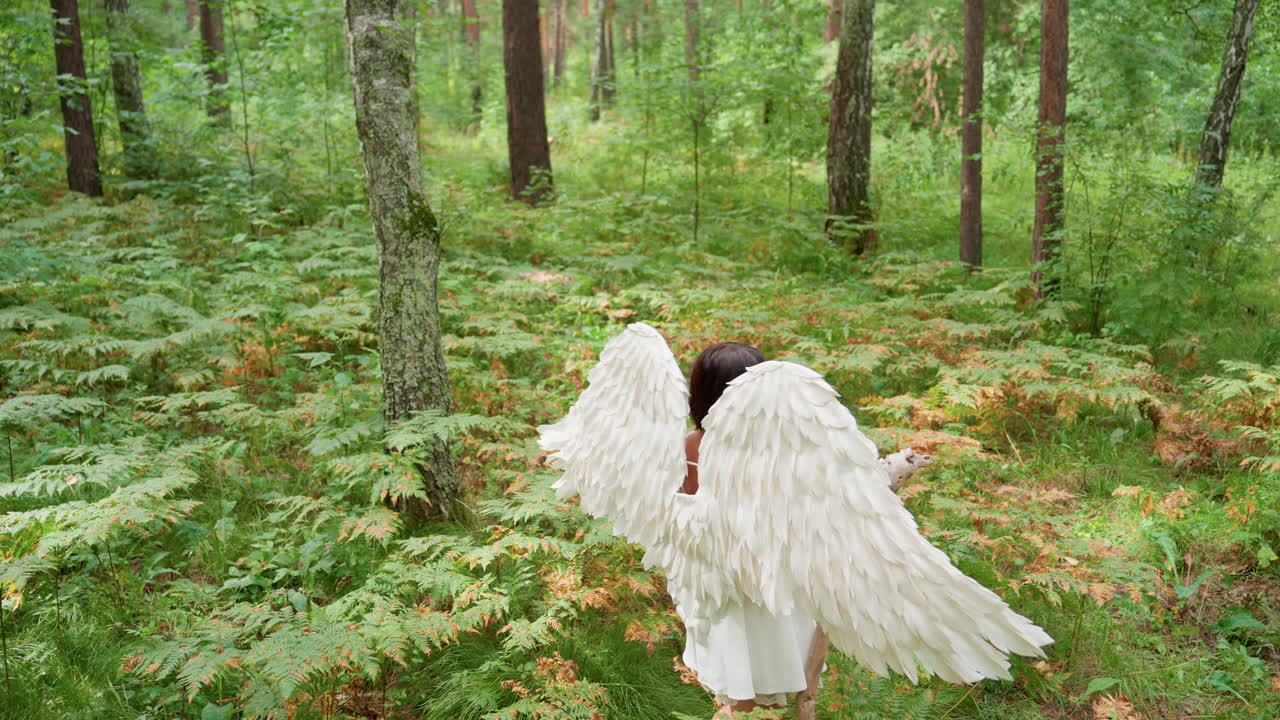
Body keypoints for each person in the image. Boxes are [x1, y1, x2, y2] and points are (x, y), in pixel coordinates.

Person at [679, 342, 820, 716]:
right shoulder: (780, 449)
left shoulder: (691, 447)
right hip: (770, 576)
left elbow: (680, 515)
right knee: (763, 667)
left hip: (721, 582)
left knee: (737, 673)